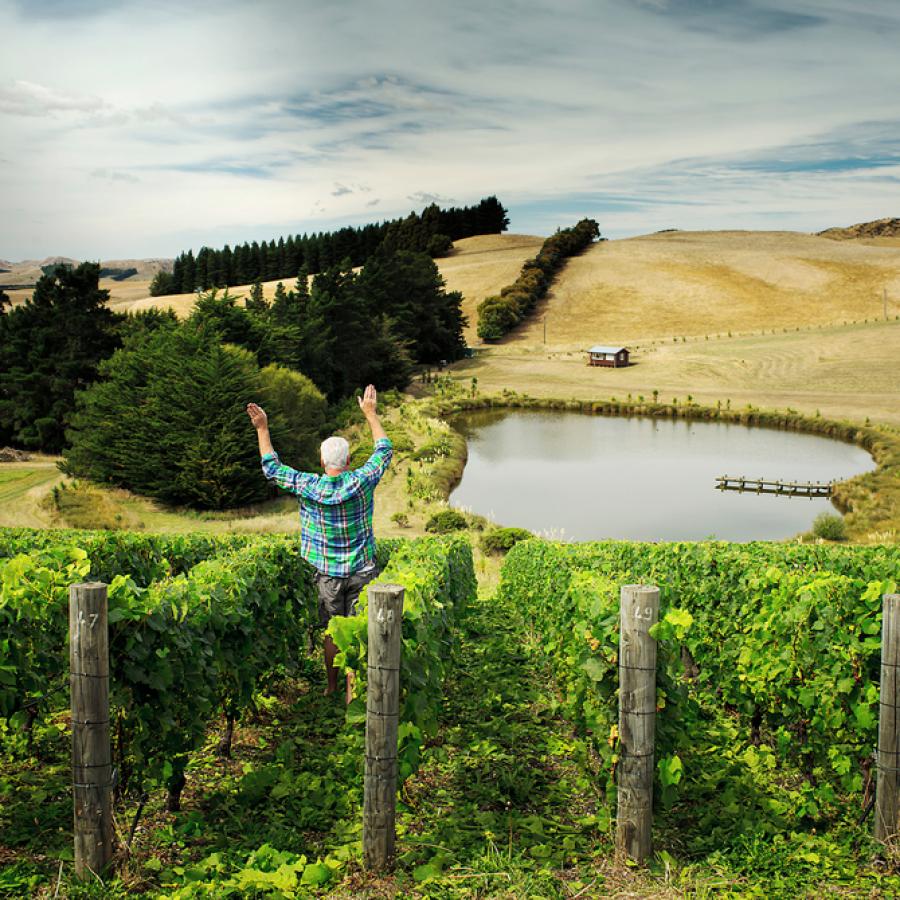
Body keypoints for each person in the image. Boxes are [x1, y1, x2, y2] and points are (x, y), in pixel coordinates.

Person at [246, 384, 393, 703]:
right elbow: (384, 450)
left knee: (332, 631)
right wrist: (370, 414)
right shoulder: (361, 481)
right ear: (349, 460)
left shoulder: (308, 485)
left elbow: (271, 468)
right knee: (359, 630)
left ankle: (331, 686)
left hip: (327, 574)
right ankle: (354, 693)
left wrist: (262, 428)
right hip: (363, 570)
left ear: (322, 460)